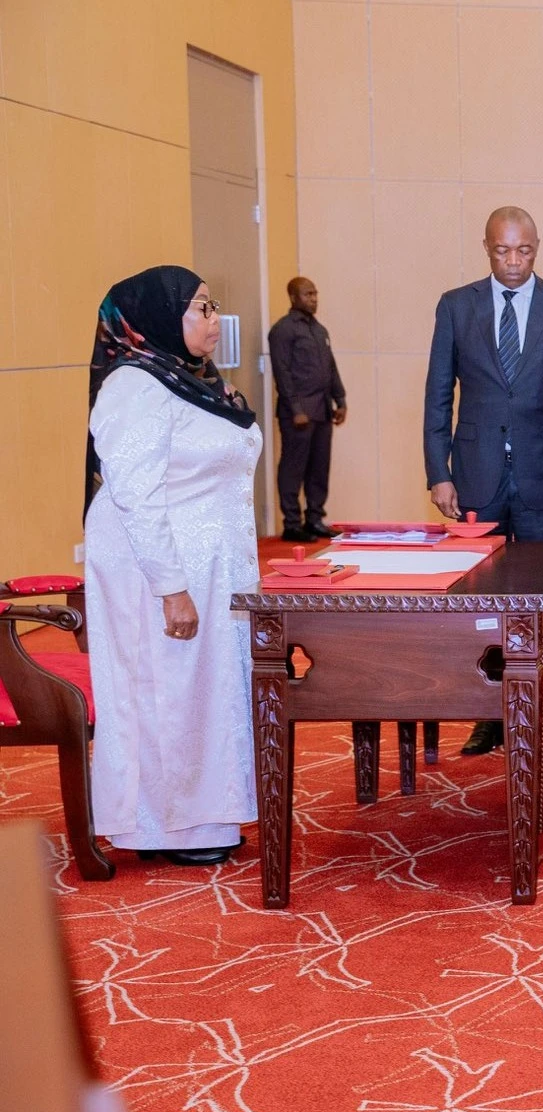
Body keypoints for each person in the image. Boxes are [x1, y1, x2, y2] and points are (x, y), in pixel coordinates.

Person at [82, 267, 262, 866]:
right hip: (158, 569)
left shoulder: (192, 381)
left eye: (213, 307)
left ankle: (203, 813)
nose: (213, 321)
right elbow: (134, 495)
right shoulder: (134, 387)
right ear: (159, 318)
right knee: (167, 691)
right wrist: (171, 589)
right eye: (201, 309)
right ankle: (162, 827)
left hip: (212, 565)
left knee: (207, 692)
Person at [423, 205, 543, 755]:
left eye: (524, 250)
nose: (514, 261)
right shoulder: (456, 307)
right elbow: (437, 395)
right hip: (475, 474)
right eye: (503, 251)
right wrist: (438, 472)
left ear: (537, 247)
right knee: (484, 598)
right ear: (486, 247)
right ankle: (492, 710)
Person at [266, 276, 347, 543]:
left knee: (319, 468)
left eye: (315, 293)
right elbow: (283, 373)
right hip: (298, 414)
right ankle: (292, 523)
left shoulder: (319, 330)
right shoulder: (282, 330)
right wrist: (295, 408)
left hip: (322, 410)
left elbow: (330, 368)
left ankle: (314, 519)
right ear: (293, 297)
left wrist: (341, 399)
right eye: (307, 294)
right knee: (293, 467)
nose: (313, 298)